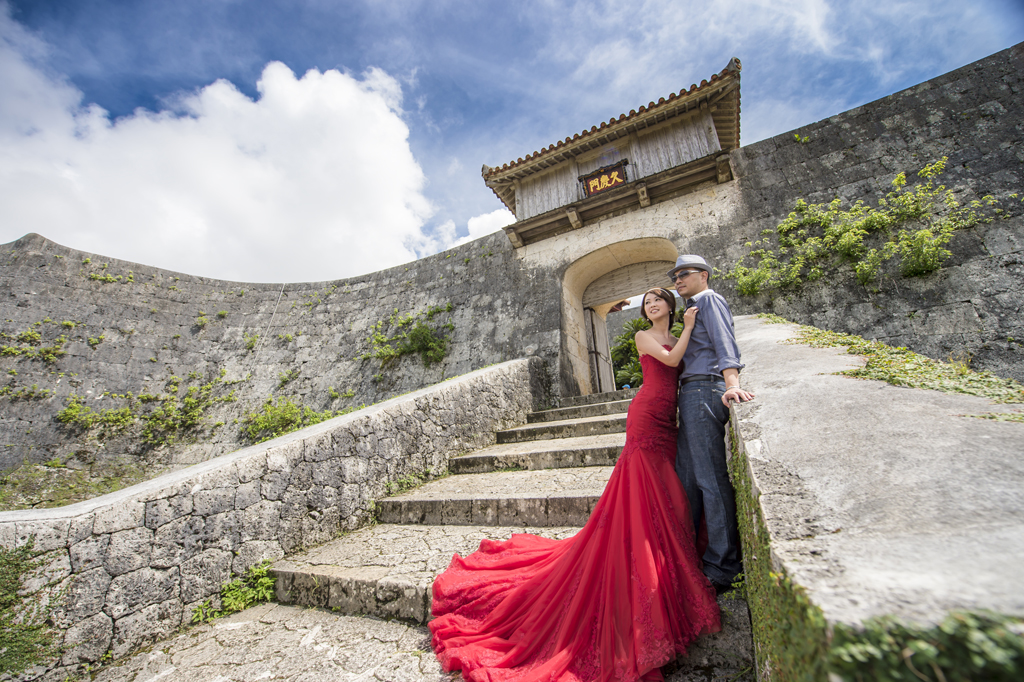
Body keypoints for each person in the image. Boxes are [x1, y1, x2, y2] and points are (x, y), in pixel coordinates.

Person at [430, 288, 720, 682]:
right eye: (647, 302)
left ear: (669, 304)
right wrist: (688, 327)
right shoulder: (644, 336)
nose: (651, 305)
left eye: (657, 300)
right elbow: (670, 360)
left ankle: (662, 550)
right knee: (643, 488)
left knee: (667, 490)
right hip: (646, 414)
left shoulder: (672, 334)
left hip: (669, 419)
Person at [667, 255, 755, 596]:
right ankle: (690, 556)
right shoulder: (692, 308)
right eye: (674, 276)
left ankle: (723, 567)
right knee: (687, 478)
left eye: (684, 274)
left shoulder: (708, 299)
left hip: (705, 387)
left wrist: (732, 383)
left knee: (709, 478)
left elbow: (724, 342)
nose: (677, 280)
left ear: (703, 275)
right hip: (691, 391)